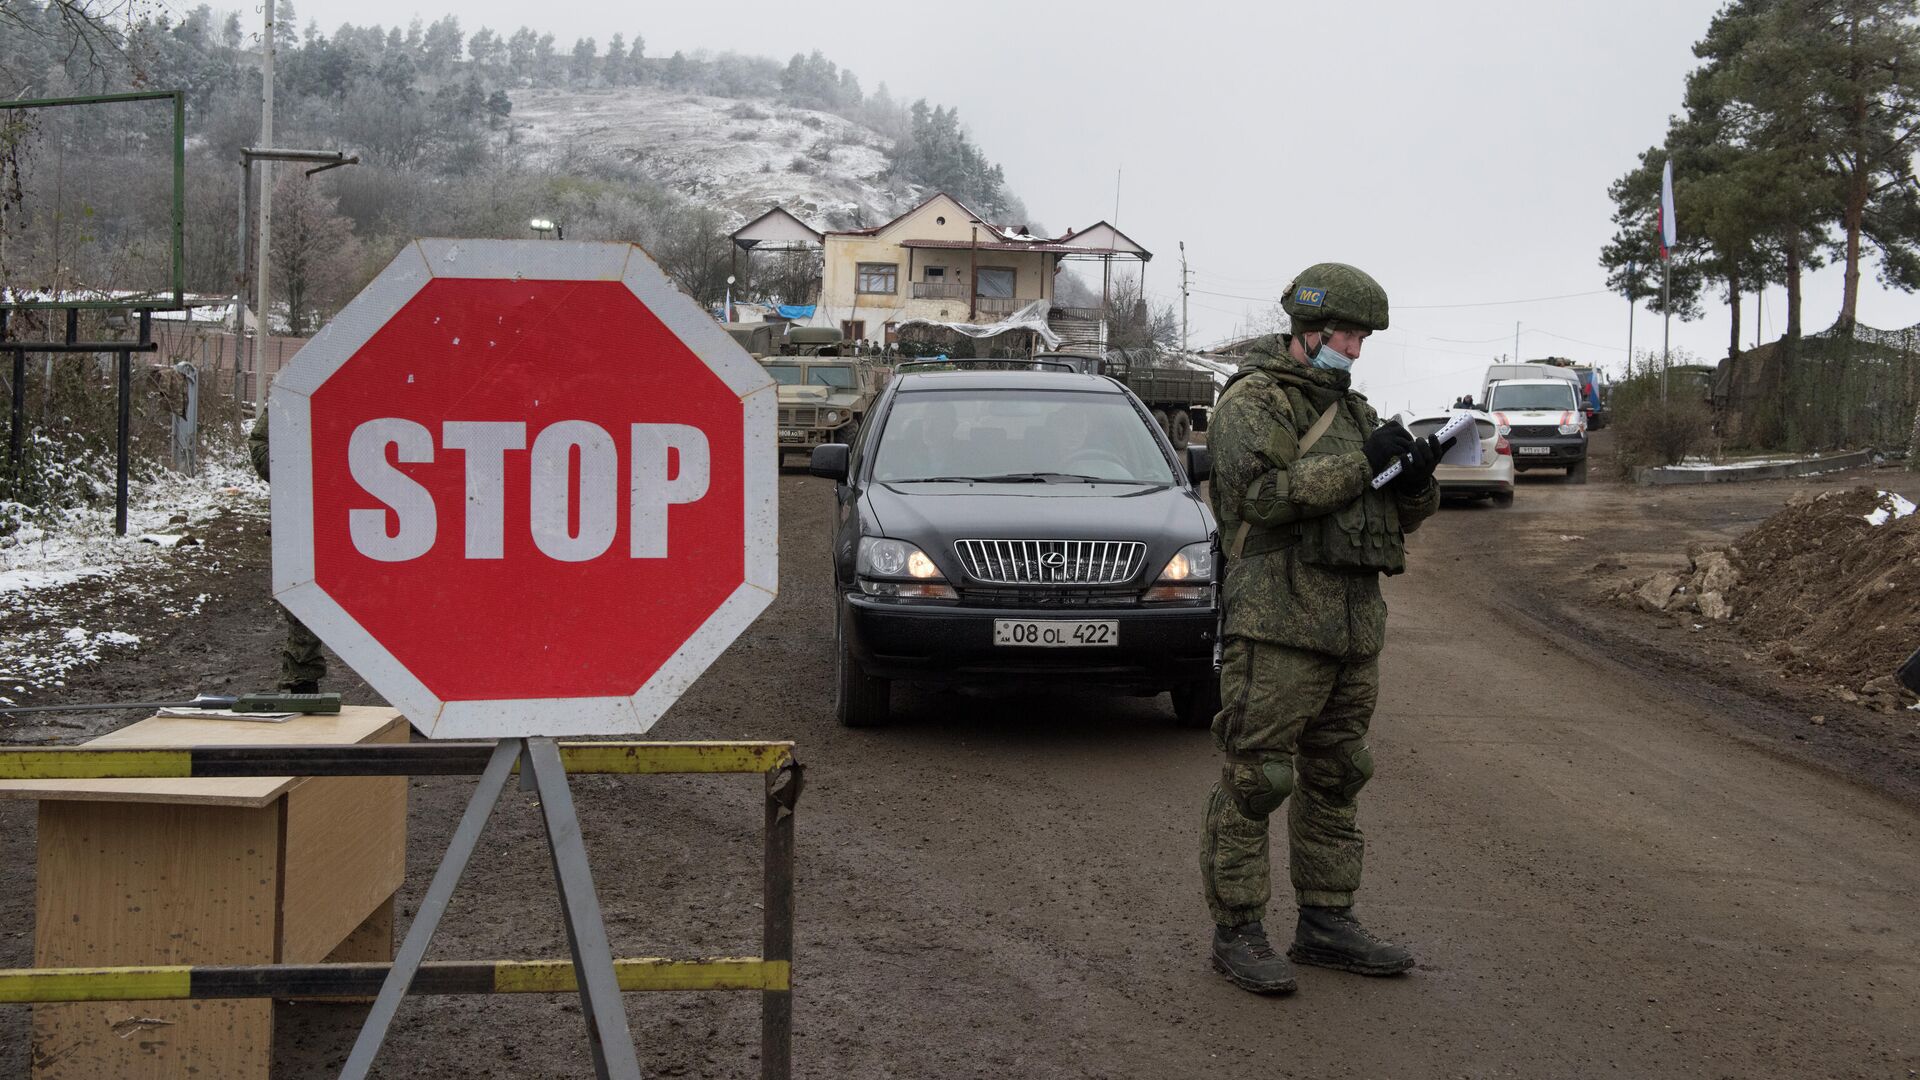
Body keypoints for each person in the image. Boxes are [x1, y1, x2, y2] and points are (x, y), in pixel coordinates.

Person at [1199, 262, 1442, 995]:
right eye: (1349, 335)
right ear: (1309, 329)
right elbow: (1260, 498)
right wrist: (1356, 467)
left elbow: (1393, 519)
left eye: (1364, 338)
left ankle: (1326, 922)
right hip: (1277, 625)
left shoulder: (1360, 412)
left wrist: (1415, 478)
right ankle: (1237, 930)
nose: (1357, 350)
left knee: (1338, 776)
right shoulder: (1253, 402)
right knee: (1258, 775)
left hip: (1350, 627)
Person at [249, 409, 327, 694]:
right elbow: (260, 444)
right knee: (301, 592)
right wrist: (299, 470)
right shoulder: (296, 391)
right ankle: (302, 677)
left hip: (377, 514)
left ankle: (412, 694)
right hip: (301, 512)